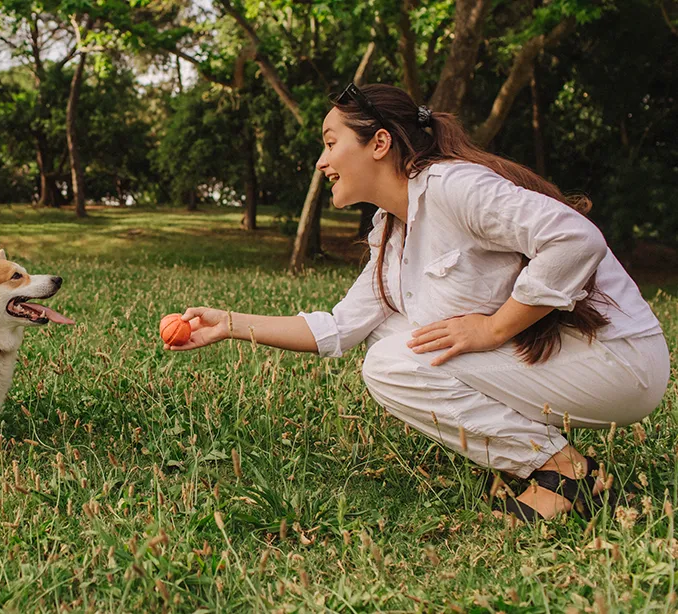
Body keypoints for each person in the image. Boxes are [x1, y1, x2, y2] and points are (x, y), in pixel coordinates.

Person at [165, 83, 670, 522]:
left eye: (330, 143)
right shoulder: (392, 229)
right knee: (389, 338)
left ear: (379, 143)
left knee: (390, 361)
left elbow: (577, 239)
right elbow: (341, 327)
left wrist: (494, 329)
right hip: (574, 361)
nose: (321, 162)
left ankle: (563, 472)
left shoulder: (454, 187)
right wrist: (227, 324)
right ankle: (556, 466)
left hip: (619, 361)